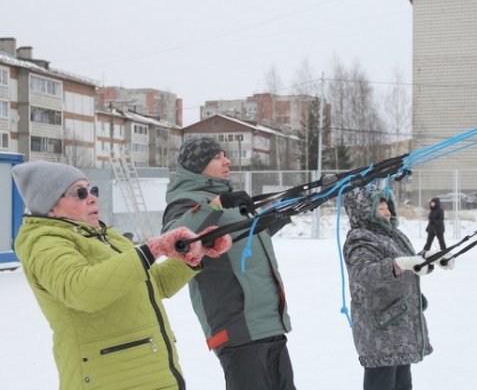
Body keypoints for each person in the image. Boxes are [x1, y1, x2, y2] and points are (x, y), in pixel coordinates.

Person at [11, 160, 232, 390]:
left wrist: (196, 253)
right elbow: (82, 290)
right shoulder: (44, 242)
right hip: (109, 380)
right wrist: (151, 250)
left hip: (153, 374)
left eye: (92, 189)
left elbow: (157, 283)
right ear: (50, 206)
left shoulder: (108, 236)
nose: (93, 197)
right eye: (80, 192)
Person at [162, 136, 295, 390]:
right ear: (196, 165)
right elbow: (174, 242)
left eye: (224, 155)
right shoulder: (186, 202)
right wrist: (216, 206)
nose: (227, 161)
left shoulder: (226, 200)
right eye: (216, 157)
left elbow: (239, 243)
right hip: (238, 327)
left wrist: (274, 219)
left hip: (268, 322)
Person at [343, 187, 454, 390]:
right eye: (381, 208)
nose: (388, 212)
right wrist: (398, 265)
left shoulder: (393, 235)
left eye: (388, 207)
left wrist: (429, 257)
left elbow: (410, 264)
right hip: (381, 329)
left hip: (399, 326)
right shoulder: (360, 238)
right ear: (365, 210)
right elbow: (363, 274)